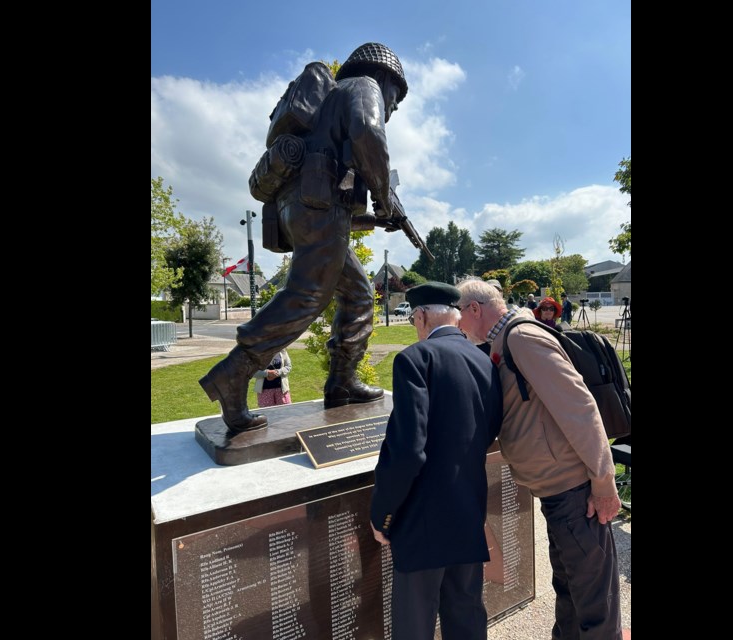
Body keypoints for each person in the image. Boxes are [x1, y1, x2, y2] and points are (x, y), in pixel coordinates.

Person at [199, 43, 408, 431]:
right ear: (385, 78)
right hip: (318, 204)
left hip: (308, 204)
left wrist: (381, 217)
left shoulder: (330, 105)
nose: (393, 107)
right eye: (396, 97)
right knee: (307, 295)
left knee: (360, 293)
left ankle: (342, 383)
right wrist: (383, 196)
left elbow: (342, 205)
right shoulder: (364, 85)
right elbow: (369, 133)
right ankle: (234, 372)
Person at [455, 279, 622, 640]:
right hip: (558, 490)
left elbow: (579, 407)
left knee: (594, 603)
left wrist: (604, 483)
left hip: (575, 492)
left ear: (474, 309)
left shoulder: (521, 338)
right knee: (570, 590)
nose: (458, 326)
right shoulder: (505, 341)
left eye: (460, 316)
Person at [370, 282, 502, 640]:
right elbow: (489, 430)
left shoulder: (415, 358)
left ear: (423, 315)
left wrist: (382, 513)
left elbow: (408, 449)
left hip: (421, 520)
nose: (416, 325)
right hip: (468, 510)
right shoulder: (484, 361)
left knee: (414, 623)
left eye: (415, 318)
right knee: (466, 616)